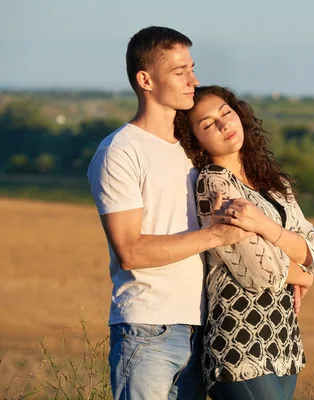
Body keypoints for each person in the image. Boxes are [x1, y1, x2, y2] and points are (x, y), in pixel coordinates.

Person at [87, 27, 252, 400]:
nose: (193, 80)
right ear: (145, 80)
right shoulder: (121, 151)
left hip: (203, 328)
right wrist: (215, 235)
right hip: (147, 328)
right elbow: (130, 251)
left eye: (191, 68)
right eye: (180, 72)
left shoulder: (192, 148)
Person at [174, 85, 314, 399]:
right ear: (195, 141)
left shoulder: (274, 183)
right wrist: (302, 274)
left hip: (282, 339)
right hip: (238, 342)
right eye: (207, 124)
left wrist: (264, 226)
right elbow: (261, 271)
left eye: (226, 113)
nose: (223, 124)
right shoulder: (214, 183)